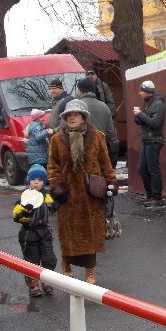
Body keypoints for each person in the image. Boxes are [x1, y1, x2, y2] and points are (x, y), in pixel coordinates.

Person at [47, 100, 117, 284]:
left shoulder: (97, 136)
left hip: (90, 194)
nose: (72, 118)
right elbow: (52, 166)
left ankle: (90, 272)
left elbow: (105, 162)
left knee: (90, 235)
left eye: (76, 114)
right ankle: (66, 266)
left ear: (83, 117)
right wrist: (57, 186)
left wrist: (111, 181)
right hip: (68, 195)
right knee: (68, 234)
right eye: (69, 115)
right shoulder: (57, 139)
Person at [12, 164, 57, 297]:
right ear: (29, 181)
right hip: (29, 233)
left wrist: (60, 200)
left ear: (44, 182)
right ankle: (33, 285)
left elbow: (51, 208)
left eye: (40, 180)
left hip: (44, 231)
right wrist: (25, 213)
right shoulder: (25, 196)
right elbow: (16, 215)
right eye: (33, 179)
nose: (36, 182)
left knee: (49, 258)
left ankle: (47, 281)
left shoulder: (47, 195)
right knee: (32, 261)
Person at [134, 80, 165, 207]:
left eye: (141, 90)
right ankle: (150, 195)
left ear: (148, 92)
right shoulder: (148, 102)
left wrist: (140, 114)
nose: (140, 93)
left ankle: (157, 197)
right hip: (147, 140)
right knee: (142, 169)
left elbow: (155, 123)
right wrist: (137, 116)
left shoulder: (158, 104)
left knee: (153, 170)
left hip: (154, 140)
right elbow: (144, 121)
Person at [77, 78, 118, 168]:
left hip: (81, 152)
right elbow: (111, 133)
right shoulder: (104, 107)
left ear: (80, 90)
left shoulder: (76, 106)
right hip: (101, 150)